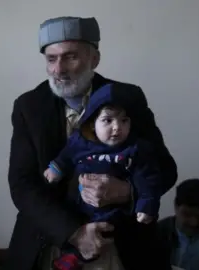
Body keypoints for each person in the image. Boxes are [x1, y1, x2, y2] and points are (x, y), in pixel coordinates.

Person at [7, 16, 178, 270]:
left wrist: (127, 191)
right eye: (51, 59)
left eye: (70, 57)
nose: (58, 69)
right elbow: (22, 185)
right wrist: (73, 232)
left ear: (94, 59)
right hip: (49, 241)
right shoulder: (28, 106)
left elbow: (165, 169)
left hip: (122, 247)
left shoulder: (129, 98)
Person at [43, 83, 163, 269]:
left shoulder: (135, 149)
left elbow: (149, 179)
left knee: (108, 230)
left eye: (124, 121)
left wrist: (145, 204)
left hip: (113, 214)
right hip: (79, 207)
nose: (117, 128)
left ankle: (81, 258)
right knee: (74, 223)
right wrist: (55, 169)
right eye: (108, 121)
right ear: (92, 123)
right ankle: (72, 255)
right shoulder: (81, 142)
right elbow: (66, 157)